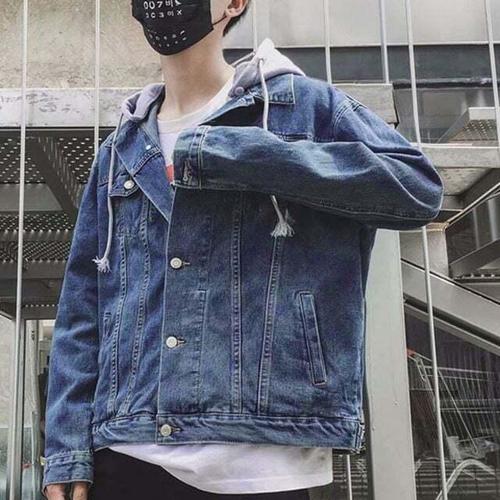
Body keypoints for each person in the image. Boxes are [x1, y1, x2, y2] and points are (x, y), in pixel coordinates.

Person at [42, 0, 445, 499]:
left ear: (234, 3)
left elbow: (418, 189)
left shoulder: (302, 106)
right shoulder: (118, 150)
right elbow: (83, 310)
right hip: (127, 452)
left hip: (269, 456)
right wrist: (66, 449)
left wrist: (241, 155)